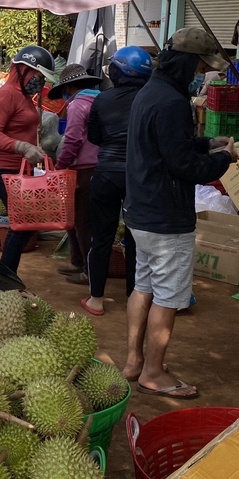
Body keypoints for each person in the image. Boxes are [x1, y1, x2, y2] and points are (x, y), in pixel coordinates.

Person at [123, 27, 239, 400]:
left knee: (143, 286)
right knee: (169, 296)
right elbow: (185, 166)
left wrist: (208, 143)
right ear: (188, 62)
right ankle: (153, 373)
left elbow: (169, 146)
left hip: (141, 212)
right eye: (200, 66)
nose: (200, 74)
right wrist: (225, 159)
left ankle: (133, 361)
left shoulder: (150, 93)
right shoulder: (172, 102)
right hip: (166, 217)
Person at [80, 46, 153, 316]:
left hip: (107, 175)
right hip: (139, 177)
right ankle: (135, 296)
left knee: (101, 237)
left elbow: (95, 137)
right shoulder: (152, 99)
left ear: (118, 71)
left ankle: (96, 299)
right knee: (136, 239)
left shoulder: (102, 99)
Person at [0, 45, 58, 273]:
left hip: (21, 170)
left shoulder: (24, 96)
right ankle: (6, 274)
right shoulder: (6, 96)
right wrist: (21, 146)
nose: (40, 82)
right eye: (37, 76)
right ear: (22, 70)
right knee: (22, 224)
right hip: (5, 169)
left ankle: (6, 274)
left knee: (25, 224)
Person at [49, 64, 101, 285]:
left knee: (82, 222)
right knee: (75, 219)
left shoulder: (78, 105)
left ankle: (88, 272)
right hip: (101, 167)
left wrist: (60, 165)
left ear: (69, 88)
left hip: (84, 170)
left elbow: (72, 140)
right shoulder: (100, 100)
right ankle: (77, 261)